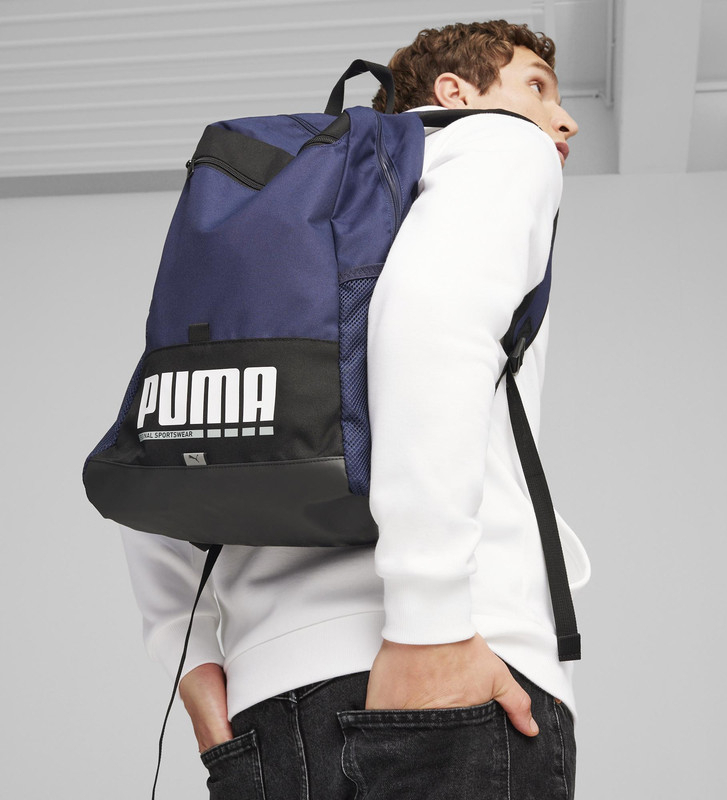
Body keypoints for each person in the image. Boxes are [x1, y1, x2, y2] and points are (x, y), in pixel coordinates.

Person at [121, 18, 590, 800]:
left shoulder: (277, 216)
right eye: (537, 87)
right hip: (442, 664)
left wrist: (189, 654)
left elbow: (171, 426)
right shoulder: (499, 145)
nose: (563, 119)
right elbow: (434, 325)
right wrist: (429, 625)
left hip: (265, 709)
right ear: (455, 93)